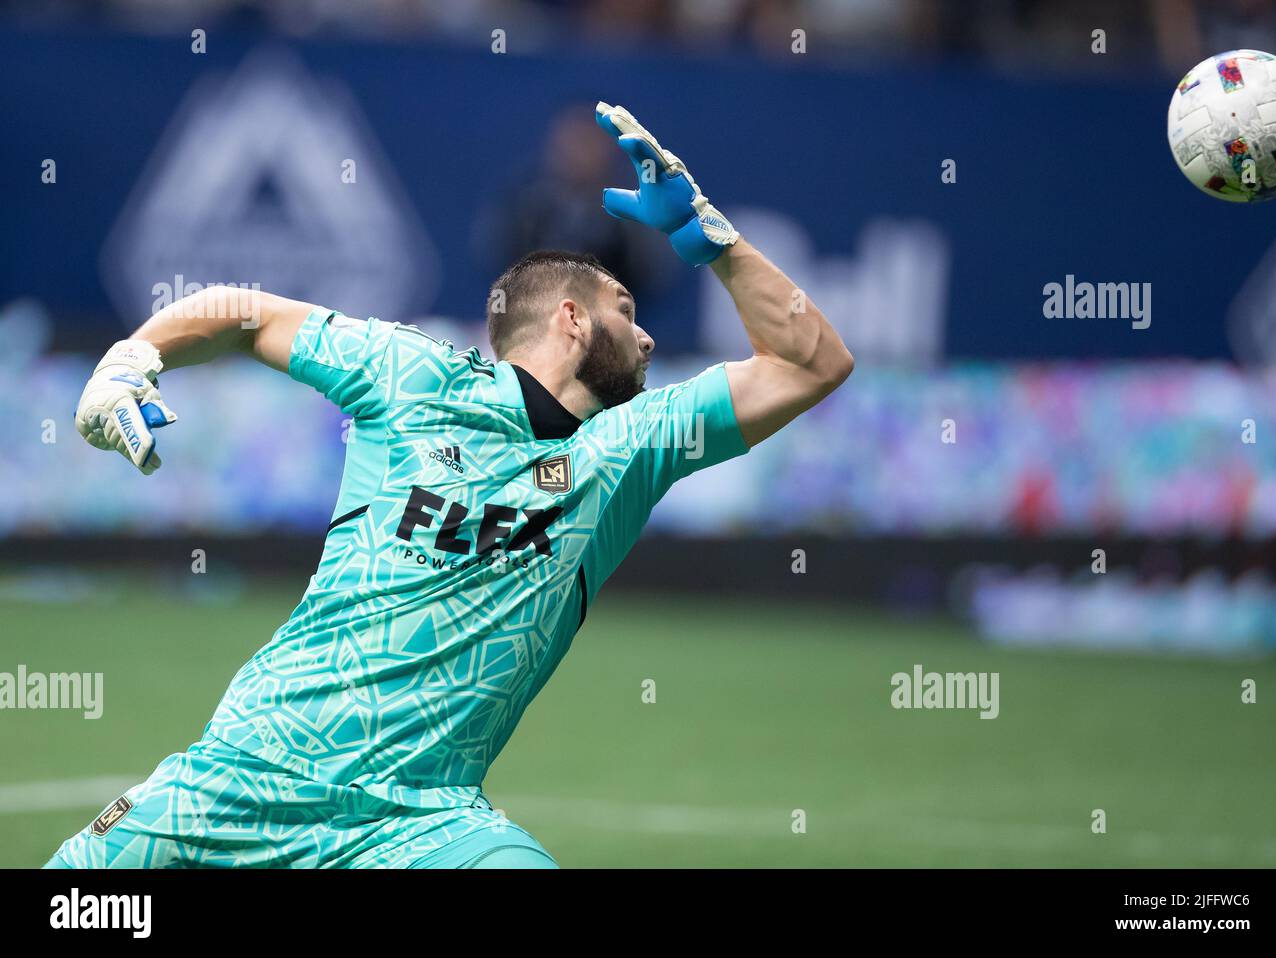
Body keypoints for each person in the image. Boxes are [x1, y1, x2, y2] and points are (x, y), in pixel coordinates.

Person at [50, 102, 853, 868]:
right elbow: (247, 311)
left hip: (420, 823)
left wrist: (705, 234)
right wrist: (132, 359)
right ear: (571, 320)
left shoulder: (629, 451)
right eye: (624, 309)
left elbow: (812, 363)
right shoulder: (414, 374)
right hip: (237, 780)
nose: (646, 335)